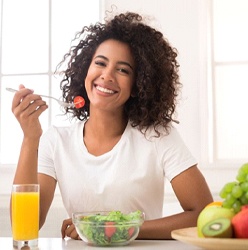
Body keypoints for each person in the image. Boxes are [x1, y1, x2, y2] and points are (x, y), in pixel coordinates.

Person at [11, 12, 213, 240]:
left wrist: (115, 229)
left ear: (138, 85)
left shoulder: (157, 136)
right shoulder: (56, 141)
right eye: (100, 63)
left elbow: (203, 214)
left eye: (123, 70)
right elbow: (26, 224)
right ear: (86, 70)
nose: (107, 75)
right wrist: (30, 139)